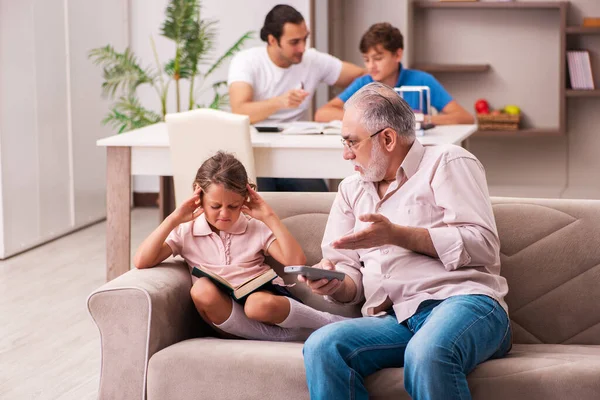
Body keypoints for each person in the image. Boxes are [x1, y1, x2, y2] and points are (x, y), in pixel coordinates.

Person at [300, 82, 511, 400]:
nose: (346, 155)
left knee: (427, 352)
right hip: (396, 318)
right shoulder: (351, 190)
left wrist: (397, 235)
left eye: (352, 143)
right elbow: (347, 275)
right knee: (322, 346)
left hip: (465, 303)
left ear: (386, 138)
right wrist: (333, 282)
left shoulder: (447, 162)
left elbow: (482, 243)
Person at [134, 151, 347, 341]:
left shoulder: (254, 227)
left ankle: (329, 322)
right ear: (198, 197)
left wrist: (269, 216)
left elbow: (296, 262)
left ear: (244, 199)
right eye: (215, 206)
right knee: (201, 290)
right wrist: (174, 218)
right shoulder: (186, 231)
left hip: (263, 303)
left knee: (257, 305)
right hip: (227, 318)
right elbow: (142, 260)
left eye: (233, 206)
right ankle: (291, 336)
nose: (225, 214)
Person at [228, 4, 364, 192]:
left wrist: (342, 104)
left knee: (320, 202)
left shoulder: (312, 60)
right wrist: (279, 102)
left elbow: (363, 78)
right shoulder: (246, 61)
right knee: (259, 199)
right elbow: (239, 110)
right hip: (254, 153)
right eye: (294, 42)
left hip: (294, 151)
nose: (302, 48)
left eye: (304, 39)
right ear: (272, 40)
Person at [315, 23, 474, 126]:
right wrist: (369, 118)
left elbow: (465, 117)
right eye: (366, 59)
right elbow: (322, 114)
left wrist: (423, 120)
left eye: (378, 58)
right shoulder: (364, 83)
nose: (371, 66)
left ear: (397, 55)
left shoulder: (422, 80)